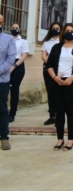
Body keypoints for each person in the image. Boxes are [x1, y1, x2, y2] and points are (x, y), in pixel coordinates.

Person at [46, 23, 73, 151]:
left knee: (70, 111)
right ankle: (59, 139)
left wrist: (70, 79)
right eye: (67, 30)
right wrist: (55, 77)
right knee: (59, 112)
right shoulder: (57, 47)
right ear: (63, 32)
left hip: (72, 83)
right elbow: (49, 65)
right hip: (57, 82)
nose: (69, 32)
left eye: (72, 30)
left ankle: (70, 140)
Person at [0, 15, 16, 150]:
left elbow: (11, 58)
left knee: (2, 109)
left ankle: (4, 137)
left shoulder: (9, 39)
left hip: (2, 79)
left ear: (3, 24)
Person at [41, 22, 62, 125]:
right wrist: (50, 64)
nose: (55, 30)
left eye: (57, 28)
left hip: (60, 70)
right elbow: (43, 56)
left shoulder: (63, 42)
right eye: (54, 28)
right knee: (51, 94)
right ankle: (52, 115)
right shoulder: (46, 43)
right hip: (48, 69)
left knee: (59, 93)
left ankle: (59, 116)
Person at [8, 23, 29, 123]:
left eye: (17, 28)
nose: (15, 29)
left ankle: (12, 114)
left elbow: (24, 56)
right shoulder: (7, 39)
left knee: (14, 90)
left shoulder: (23, 41)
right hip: (6, 65)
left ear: (19, 29)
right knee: (4, 90)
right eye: (13, 28)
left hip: (18, 66)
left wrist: (14, 66)